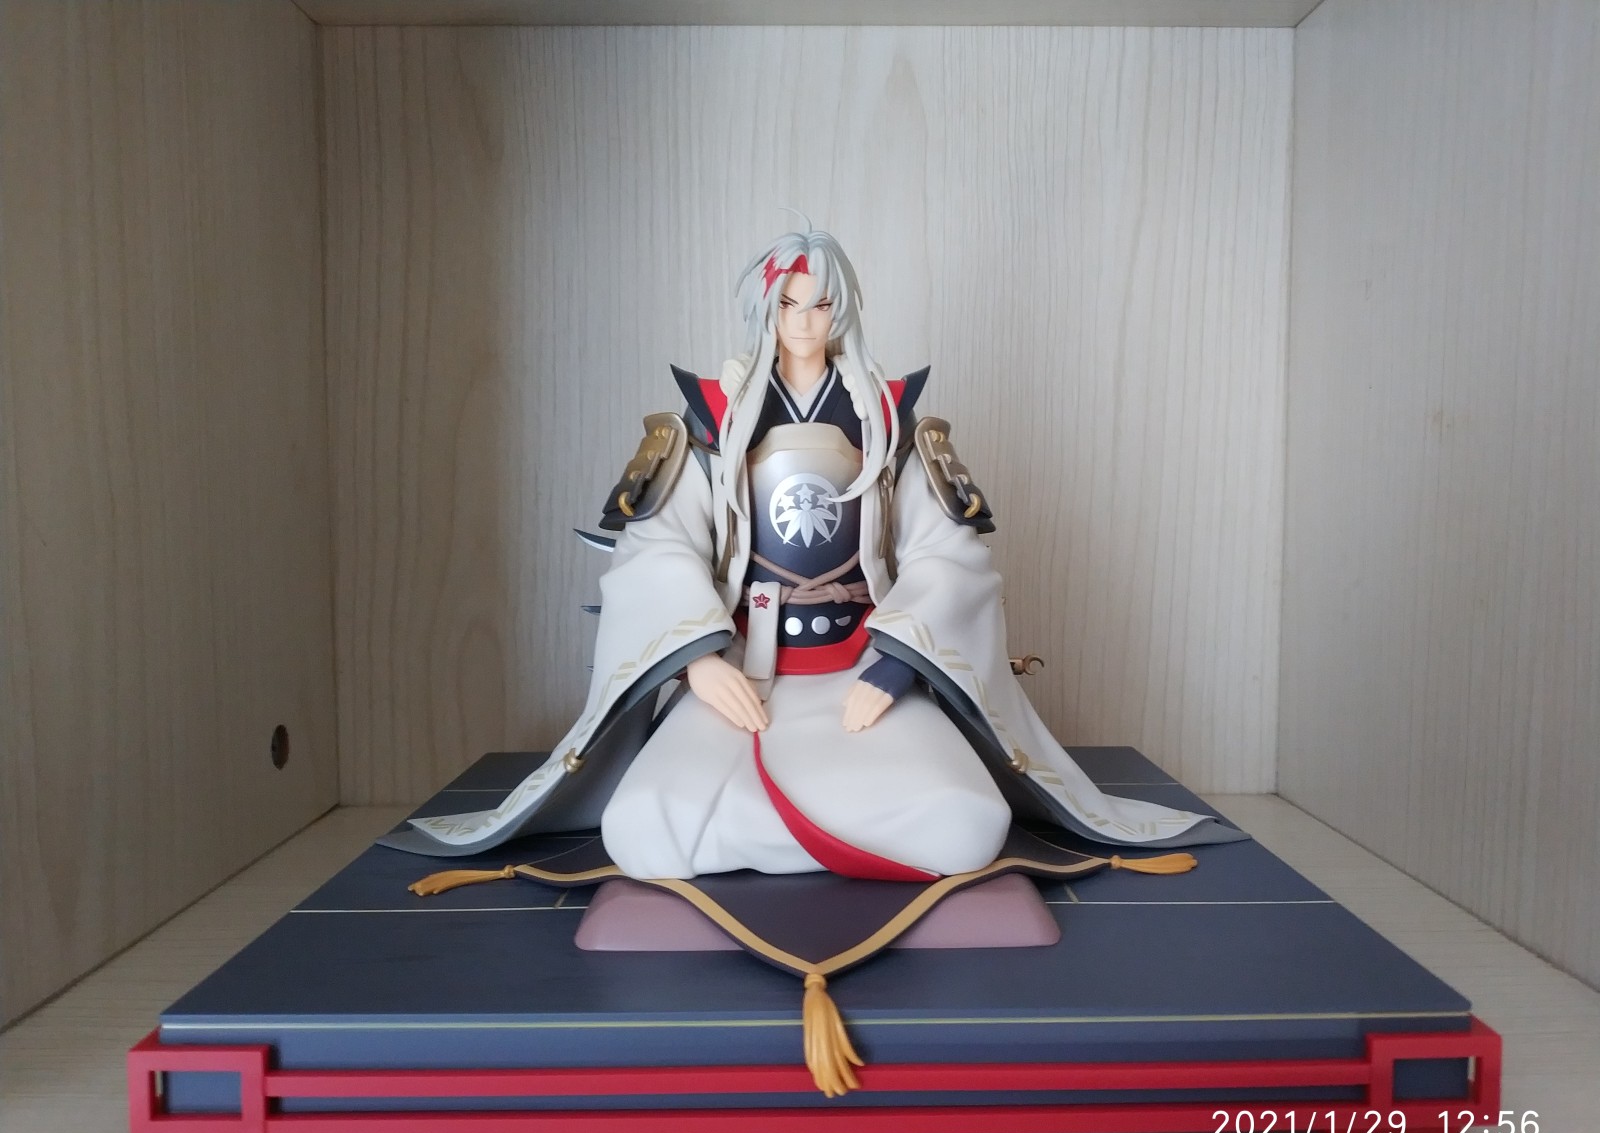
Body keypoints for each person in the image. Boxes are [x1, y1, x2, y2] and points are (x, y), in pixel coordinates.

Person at [380, 223, 1244, 876]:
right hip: (743, 675)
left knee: (968, 822)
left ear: (843, 309)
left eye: (820, 302)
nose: (803, 319)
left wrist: (894, 670)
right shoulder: (711, 421)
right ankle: (814, 828)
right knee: (639, 830)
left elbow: (949, 554)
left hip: (862, 667)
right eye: (788, 303)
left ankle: (791, 826)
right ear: (766, 308)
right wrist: (697, 664)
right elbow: (656, 548)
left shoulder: (889, 420)